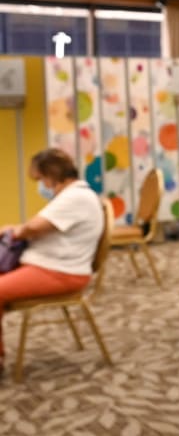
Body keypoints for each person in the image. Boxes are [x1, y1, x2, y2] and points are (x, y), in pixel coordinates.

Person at [0, 148, 103, 372]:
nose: (41, 186)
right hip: (49, 265)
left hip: (61, 271)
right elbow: (40, 226)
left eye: (40, 179)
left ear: (51, 175)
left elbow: (34, 227)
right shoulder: (72, 196)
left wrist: (16, 232)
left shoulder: (75, 197)